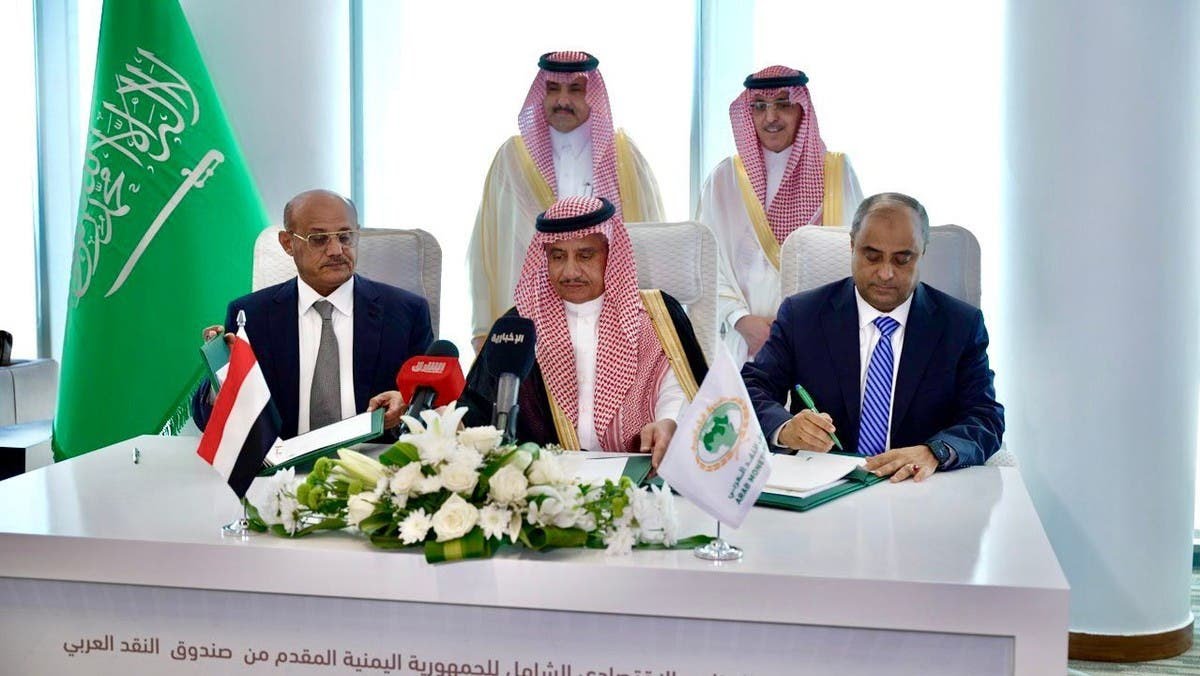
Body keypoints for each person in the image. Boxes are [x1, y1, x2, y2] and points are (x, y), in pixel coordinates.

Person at [741, 193, 1003, 481]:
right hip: (823, 486)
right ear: (852, 246)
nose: (886, 273)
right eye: (872, 256)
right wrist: (785, 428)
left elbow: (985, 417)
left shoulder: (960, 325)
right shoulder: (802, 315)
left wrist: (934, 452)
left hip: (917, 487)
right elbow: (752, 388)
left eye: (902, 260)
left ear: (922, 254)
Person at [463, 196, 706, 456]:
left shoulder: (656, 314)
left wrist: (669, 421)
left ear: (611, 255)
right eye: (558, 256)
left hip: (641, 468)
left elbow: (678, 385)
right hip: (546, 473)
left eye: (585, 255)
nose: (570, 272)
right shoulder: (519, 326)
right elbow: (480, 409)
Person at [191, 189, 434, 438]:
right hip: (281, 460)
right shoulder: (250, 316)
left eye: (345, 237)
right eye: (318, 239)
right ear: (288, 243)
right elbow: (209, 423)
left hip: (373, 458)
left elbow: (433, 408)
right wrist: (220, 382)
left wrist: (408, 403)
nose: (336, 250)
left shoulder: (406, 312)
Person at [467, 50, 664, 353]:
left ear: (592, 95)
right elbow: (486, 248)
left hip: (608, 321)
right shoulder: (512, 158)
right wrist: (483, 329)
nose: (562, 100)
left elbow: (654, 240)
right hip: (528, 321)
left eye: (575, 89)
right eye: (553, 89)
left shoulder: (624, 157)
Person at [697, 65, 864, 363]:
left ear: (802, 109)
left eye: (783, 104)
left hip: (817, 338)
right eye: (760, 106)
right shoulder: (724, 179)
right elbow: (706, 262)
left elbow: (854, 259)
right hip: (743, 342)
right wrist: (740, 319)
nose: (770, 117)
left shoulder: (836, 173)